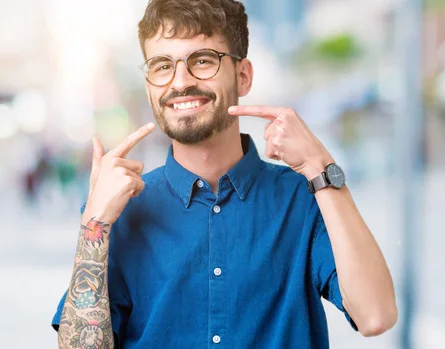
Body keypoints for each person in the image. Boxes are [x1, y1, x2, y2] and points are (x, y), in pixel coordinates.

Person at [51, 0, 397, 348]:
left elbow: (375, 316)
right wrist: (94, 222)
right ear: (149, 85)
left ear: (243, 76)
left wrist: (320, 167)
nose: (181, 81)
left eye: (202, 60)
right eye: (162, 66)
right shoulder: (120, 210)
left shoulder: (304, 197)